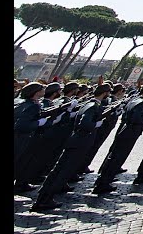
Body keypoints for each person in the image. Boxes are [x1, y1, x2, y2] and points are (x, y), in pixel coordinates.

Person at [31, 83, 111, 212]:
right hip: (80, 141)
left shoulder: (89, 104)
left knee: (60, 170)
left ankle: (45, 196)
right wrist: (96, 123)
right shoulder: (92, 105)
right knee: (62, 171)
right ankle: (44, 199)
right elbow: (85, 124)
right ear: (105, 93)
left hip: (77, 141)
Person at [93, 81, 143, 194]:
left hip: (125, 129)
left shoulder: (134, 99)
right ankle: (103, 183)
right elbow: (137, 119)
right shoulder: (141, 102)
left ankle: (103, 180)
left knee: (114, 156)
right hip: (131, 131)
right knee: (118, 157)